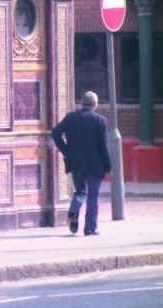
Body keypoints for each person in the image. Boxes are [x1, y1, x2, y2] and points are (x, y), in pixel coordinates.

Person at [51, 91, 111, 236]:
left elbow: (55, 132)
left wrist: (66, 151)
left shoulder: (71, 118)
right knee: (93, 195)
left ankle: (73, 210)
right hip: (95, 164)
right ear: (95, 105)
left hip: (76, 162)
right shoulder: (100, 120)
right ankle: (90, 228)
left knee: (80, 192)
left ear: (81, 103)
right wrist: (108, 167)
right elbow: (104, 146)